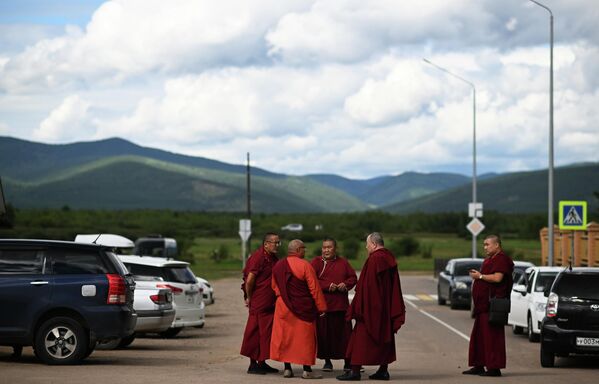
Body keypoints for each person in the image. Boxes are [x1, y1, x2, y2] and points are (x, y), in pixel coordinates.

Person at [337, 232, 406, 381]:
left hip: (372, 307)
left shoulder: (375, 259)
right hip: (386, 306)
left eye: (367, 244)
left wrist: (359, 307)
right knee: (385, 336)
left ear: (374, 244)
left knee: (359, 338)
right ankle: (383, 370)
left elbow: (368, 287)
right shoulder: (388, 257)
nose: (366, 247)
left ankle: (355, 371)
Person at [270, 239, 328, 379]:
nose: (305, 251)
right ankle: (306, 370)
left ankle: (287, 369)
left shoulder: (279, 265)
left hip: (283, 306)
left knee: (286, 337)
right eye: (303, 248)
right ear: (297, 250)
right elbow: (314, 289)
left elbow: (274, 286)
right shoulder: (305, 265)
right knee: (305, 338)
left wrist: (283, 296)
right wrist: (321, 307)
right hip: (303, 307)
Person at [463, 235, 514, 377]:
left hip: (493, 305)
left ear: (497, 245)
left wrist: (480, 276)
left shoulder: (502, 259)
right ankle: (478, 365)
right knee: (479, 337)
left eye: (487, 244)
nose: (485, 247)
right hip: (482, 306)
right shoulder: (490, 259)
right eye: (484, 245)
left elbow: (498, 278)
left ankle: (494, 368)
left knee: (492, 338)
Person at [311, 237, 357, 372]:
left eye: (329, 247)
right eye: (324, 247)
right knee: (325, 336)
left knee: (345, 336)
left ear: (335, 249)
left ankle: (348, 362)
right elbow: (310, 280)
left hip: (341, 306)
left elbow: (353, 278)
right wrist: (326, 286)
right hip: (324, 306)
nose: (326, 250)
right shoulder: (316, 262)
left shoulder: (343, 263)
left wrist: (346, 284)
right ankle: (327, 361)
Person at [240, 232, 281, 374]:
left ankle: (262, 362)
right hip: (259, 302)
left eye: (278, 242)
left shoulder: (273, 258)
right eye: (274, 242)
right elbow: (250, 280)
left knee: (266, 333)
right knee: (255, 332)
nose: (277, 245)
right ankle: (253, 364)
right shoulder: (258, 257)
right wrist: (250, 297)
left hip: (270, 302)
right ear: (266, 244)